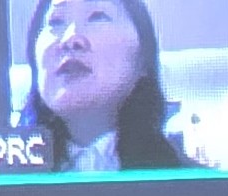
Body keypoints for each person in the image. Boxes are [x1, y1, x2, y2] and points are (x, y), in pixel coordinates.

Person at [13, 0, 202, 171]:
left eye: (97, 16)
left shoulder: (193, 185)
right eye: (55, 21)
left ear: (143, 58)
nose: (71, 39)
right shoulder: (8, 183)